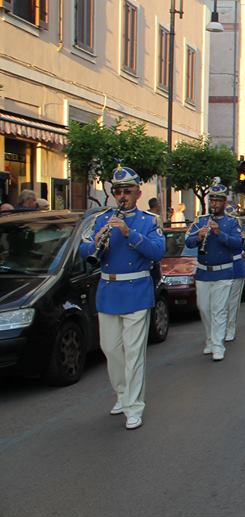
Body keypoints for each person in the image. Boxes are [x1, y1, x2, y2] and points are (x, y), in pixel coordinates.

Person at [78, 166, 164, 430]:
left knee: (134, 352)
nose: (122, 195)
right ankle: (122, 394)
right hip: (108, 291)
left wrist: (129, 233)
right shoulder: (101, 219)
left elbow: (158, 251)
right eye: (118, 191)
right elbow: (84, 250)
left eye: (127, 191)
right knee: (111, 349)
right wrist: (98, 240)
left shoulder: (149, 221)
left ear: (138, 193)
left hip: (136, 290)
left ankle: (134, 406)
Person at [185, 178, 242, 361]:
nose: (214, 204)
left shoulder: (231, 223)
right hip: (203, 272)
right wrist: (198, 237)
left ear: (224, 203)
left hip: (224, 272)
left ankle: (218, 345)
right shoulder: (200, 221)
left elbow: (237, 245)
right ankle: (209, 339)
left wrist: (219, 233)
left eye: (217, 201)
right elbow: (187, 241)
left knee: (219, 310)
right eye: (212, 200)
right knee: (204, 308)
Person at [224, 205, 245, 342]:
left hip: (235, 267)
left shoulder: (239, 230)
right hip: (221, 269)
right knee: (219, 303)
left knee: (232, 302)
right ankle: (220, 329)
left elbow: (241, 246)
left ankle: (230, 328)